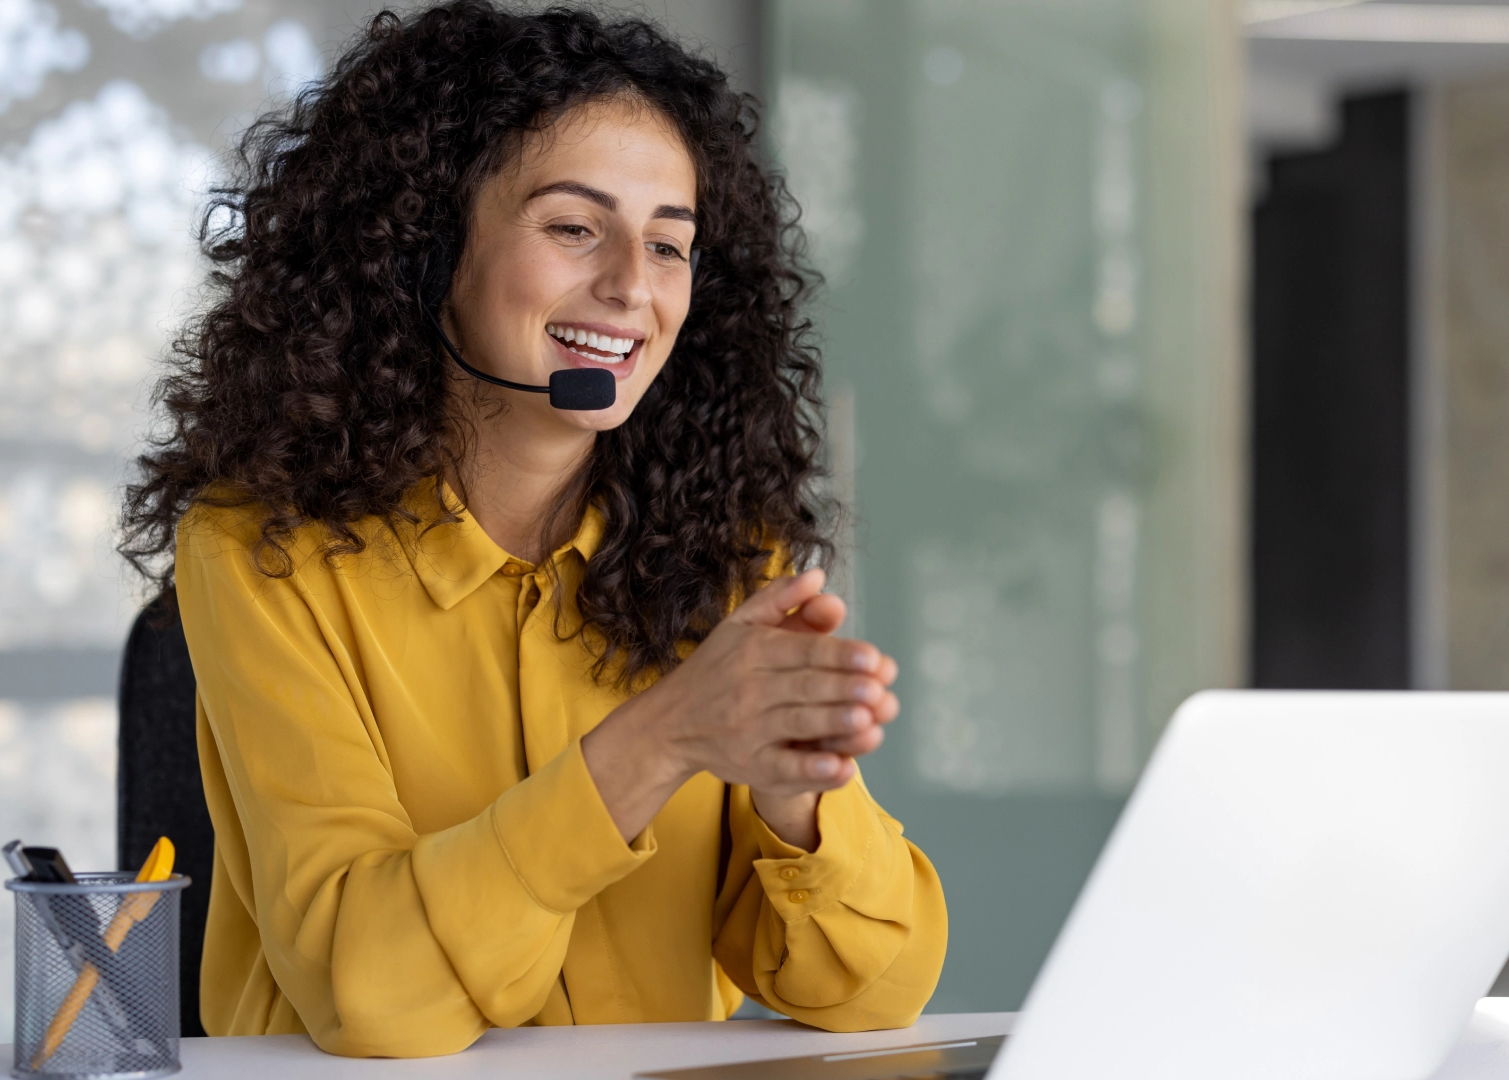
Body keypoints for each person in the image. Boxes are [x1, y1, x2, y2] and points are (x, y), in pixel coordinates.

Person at [119, 2, 946, 1057]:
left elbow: (873, 992)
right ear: (423, 252)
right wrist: (661, 739)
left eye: (669, 244)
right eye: (571, 227)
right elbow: (370, 999)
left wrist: (795, 800)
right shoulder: (261, 547)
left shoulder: (731, 553)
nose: (631, 288)